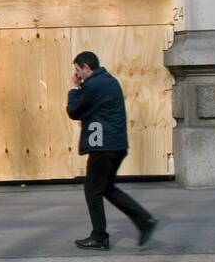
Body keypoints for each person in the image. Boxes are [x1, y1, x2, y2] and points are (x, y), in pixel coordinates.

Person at [66, 51, 158, 250]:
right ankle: (144, 221)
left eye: (77, 70)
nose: (76, 74)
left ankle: (99, 237)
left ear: (87, 68)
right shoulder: (108, 81)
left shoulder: (93, 85)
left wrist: (74, 88)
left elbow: (74, 110)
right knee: (106, 188)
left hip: (103, 148)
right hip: (115, 146)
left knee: (92, 189)